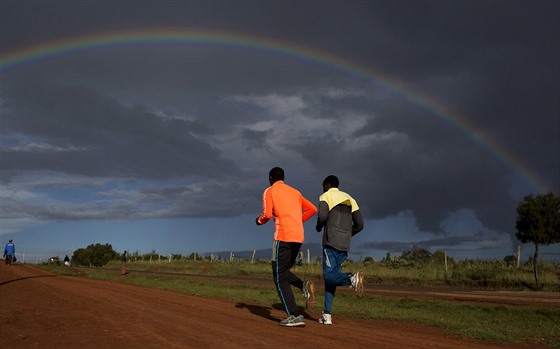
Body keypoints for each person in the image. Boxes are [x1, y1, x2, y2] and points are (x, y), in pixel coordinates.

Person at [256, 167, 318, 327]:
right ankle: (302, 285)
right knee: (281, 271)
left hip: (283, 236)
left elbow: (267, 215)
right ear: (283, 177)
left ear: (270, 178)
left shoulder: (269, 191)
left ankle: (294, 315)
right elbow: (313, 209)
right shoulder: (295, 192)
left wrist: (259, 220)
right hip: (298, 236)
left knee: (279, 276)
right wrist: (297, 221)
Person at [315, 175, 364, 325]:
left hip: (330, 242)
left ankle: (352, 279)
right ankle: (327, 315)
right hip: (344, 244)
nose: (322, 188)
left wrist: (318, 226)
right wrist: (348, 234)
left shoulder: (326, 196)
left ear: (327, 185)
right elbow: (360, 224)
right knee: (332, 279)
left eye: (323, 186)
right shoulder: (350, 198)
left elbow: (323, 216)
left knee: (328, 277)